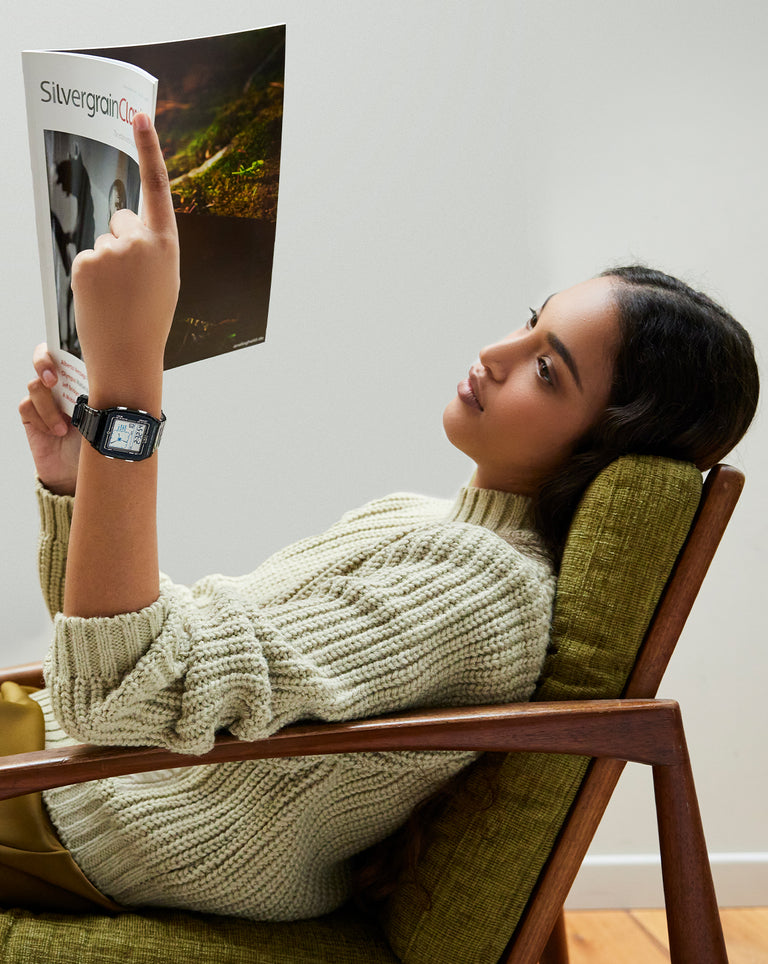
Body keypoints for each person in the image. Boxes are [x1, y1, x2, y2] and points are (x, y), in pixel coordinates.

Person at [11, 114, 759, 921]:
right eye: (529, 320)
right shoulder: (424, 525)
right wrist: (75, 488)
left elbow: (123, 692)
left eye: (546, 370)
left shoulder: (484, 595)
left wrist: (131, 386)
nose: (497, 355)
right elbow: (147, 655)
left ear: (607, 446)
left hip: (86, 818)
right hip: (67, 766)